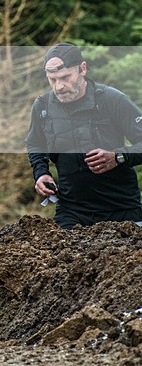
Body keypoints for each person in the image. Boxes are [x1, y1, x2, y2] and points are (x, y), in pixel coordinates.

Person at [26, 42, 142, 229]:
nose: (59, 87)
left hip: (122, 209)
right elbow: (35, 143)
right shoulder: (42, 107)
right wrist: (41, 173)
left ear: (83, 69)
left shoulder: (112, 100)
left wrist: (118, 156)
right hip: (71, 211)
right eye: (52, 79)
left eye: (65, 77)